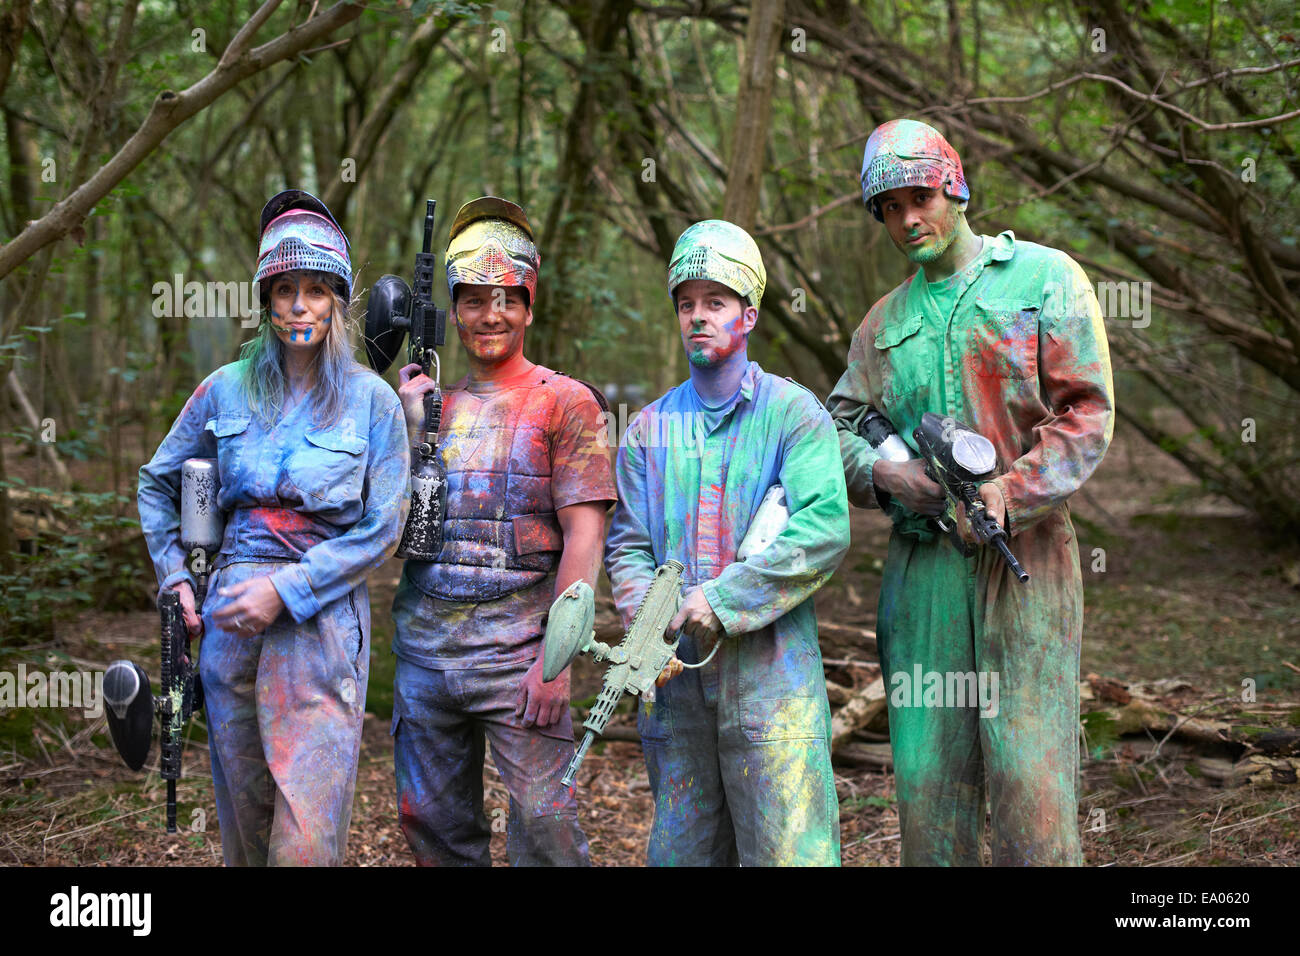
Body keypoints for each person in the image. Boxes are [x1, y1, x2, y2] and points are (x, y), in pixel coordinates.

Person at [828, 119, 1115, 865]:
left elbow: (1087, 412)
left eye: (919, 196)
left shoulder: (1044, 279)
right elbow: (838, 425)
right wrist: (885, 473)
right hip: (922, 574)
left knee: (1032, 784)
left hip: (1026, 564)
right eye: (888, 208)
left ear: (954, 186)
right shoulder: (881, 324)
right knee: (929, 787)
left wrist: (1010, 491)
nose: (907, 219)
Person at [137, 189, 410, 865]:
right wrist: (175, 577)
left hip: (319, 630)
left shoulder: (371, 401)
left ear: (338, 301)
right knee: (247, 829)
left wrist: (284, 592)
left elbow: (383, 526)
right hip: (228, 625)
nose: (298, 305)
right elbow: (157, 481)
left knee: (305, 839)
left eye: (316, 290)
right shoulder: (224, 388)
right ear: (266, 299)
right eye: (284, 289)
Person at [604, 220, 851, 866]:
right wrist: (644, 625)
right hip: (677, 691)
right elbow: (627, 543)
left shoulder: (794, 416)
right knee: (683, 850)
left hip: (773, 682)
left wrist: (720, 599)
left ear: (748, 314)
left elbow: (823, 529)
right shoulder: (649, 431)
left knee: (788, 851)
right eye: (686, 304)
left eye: (715, 303)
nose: (698, 317)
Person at [391, 197, 615, 866]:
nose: (490, 314)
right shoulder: (425, 405)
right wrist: (408, 425)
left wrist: (557, 661)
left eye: (506, 298)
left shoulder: (566, 401)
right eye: (473, 299)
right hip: (426, 656)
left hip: (521, 658)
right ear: (453, 310)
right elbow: (389, 529)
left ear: (528, 304)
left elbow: (585, 538)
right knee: (432, 829)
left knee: (547, 832)